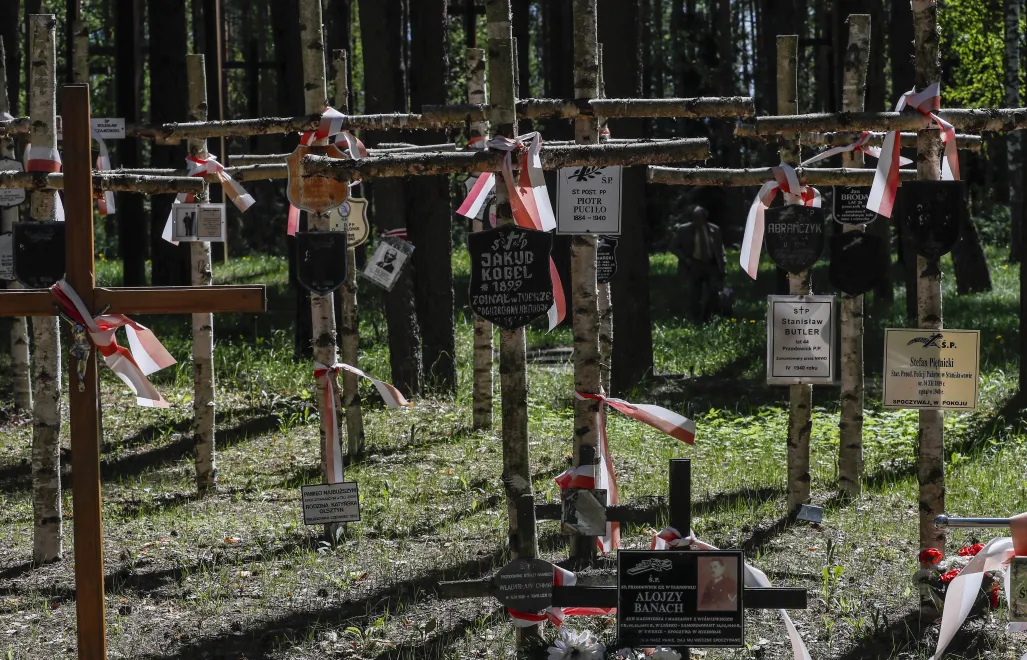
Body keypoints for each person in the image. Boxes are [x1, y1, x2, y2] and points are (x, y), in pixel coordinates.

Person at [669, 205, 727, 321]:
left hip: (711, 264)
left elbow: (720, 249)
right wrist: (685, 259)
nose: (696, 220)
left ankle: (708, 316)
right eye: (694, 217)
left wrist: (723, 265)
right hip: (694, 264)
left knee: (713, 290)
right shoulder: (684, 230)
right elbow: (673, 247)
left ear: (705, 218)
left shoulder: (714, 229)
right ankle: (696, 319)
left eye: (699, 218)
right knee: (695, 294)